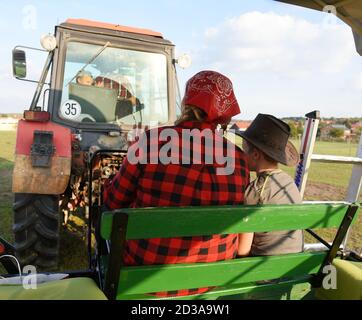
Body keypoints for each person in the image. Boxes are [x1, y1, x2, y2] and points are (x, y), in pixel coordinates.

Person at [103, 70, 250, 297]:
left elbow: (114, 201)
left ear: (187, 101)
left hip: (145, 278)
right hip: (212, 280)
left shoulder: (153, 140)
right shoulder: (238, 158)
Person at [236, 114, 304, 257]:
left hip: (264, 275)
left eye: (244, 150)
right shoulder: (288, 182)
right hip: (292, 267)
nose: (242, 155)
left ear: (255, 155)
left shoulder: (255, 191)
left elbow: (243, 251)